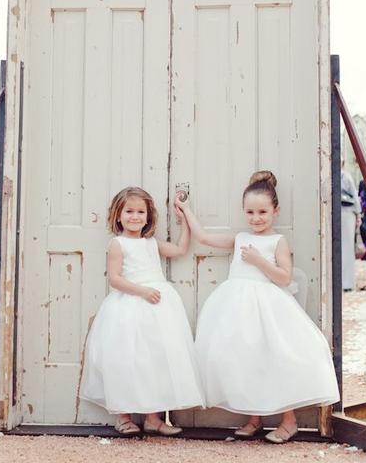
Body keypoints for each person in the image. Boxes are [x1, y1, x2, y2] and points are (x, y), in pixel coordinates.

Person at [176, 171, 339, 444]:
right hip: (237, 308)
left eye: (262, 212)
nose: (256, 218)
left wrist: (258, 260)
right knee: (245, 360)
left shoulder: (277, 241)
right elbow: (203, 237)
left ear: (276, 211)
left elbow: (284, 277)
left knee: (275, 359)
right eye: (250, 212)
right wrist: (185, 210)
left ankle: (289, 421)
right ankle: (254, 418)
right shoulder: (240, 237)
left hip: (268, 308)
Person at [80, 186, 204, 435]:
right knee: (126, 360)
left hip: (158, 310)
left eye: (140, 212)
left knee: (155, 360)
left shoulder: (151, 243)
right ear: (118, 215)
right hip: (129, 308)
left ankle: (153, 418)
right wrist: (142, 291)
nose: (135, 217)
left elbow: (180, 250)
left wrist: (184, 221)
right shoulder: (118, 244)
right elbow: (115, 279)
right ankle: (123, 416)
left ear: (148, 217)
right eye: (129, 211)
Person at [340, 163, 361, 291]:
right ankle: (346, 282)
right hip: (346, 214)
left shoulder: (344, 177)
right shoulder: (345, 176)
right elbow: (355, 197)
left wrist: (358, 214)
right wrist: (358, 214)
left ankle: (345, 282)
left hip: (344, 213)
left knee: (345, 248)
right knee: (346, 248)